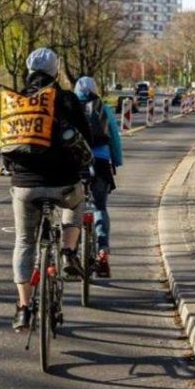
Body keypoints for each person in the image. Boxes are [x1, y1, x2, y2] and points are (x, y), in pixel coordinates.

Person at [5, 48, 108, 332]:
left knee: (24, 242)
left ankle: (24, 308)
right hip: (64, 182)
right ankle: (66, 251)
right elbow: (86, 140)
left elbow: (6, 144)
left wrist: (12, 168)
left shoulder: (17, 99)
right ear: (55, 71)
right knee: (76, 205)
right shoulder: (67, 99)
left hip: (25, 185)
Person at [74, 76, 123, 278]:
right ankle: (103, 250)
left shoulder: (69, 107)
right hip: (100, 164)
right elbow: (114, 138)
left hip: (75, 163)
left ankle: (72, 252)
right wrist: (117, 160)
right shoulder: (104, 108)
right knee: (100, 207)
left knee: (72, 208)